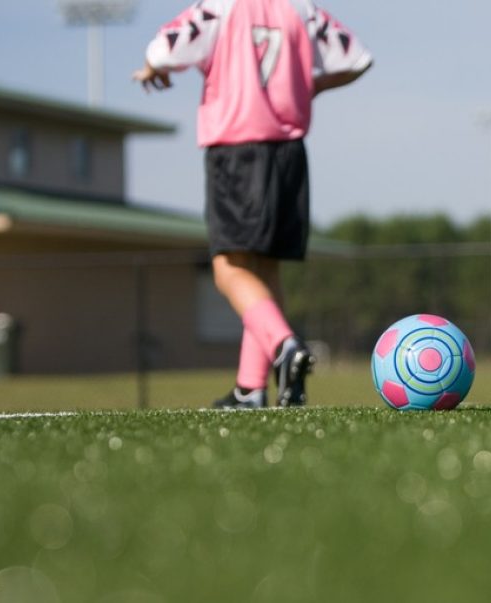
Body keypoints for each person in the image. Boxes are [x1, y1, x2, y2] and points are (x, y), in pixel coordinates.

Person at [133, 0, 372, 408]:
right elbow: (356, 59)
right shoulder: (301, 8)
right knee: (265, 269)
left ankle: (285, 346)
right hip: (289, 153)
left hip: (236, 150)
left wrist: (156, 68)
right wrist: (309, 85)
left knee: (229, 269)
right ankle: (251, 388)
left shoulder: (218, 7)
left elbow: (162, 49)